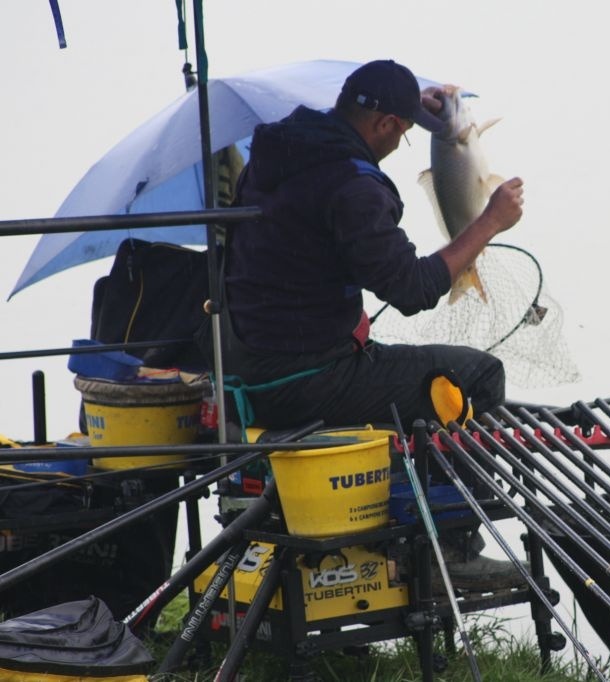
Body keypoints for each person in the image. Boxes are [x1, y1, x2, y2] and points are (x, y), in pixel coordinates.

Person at [217, 59, 525, 591]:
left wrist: (418, 111)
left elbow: (311, 247)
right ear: (383, 124)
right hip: (303, 379)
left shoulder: (278, 153)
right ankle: (451, 551)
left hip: (244, 365)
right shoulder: (353, 186)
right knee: (477, 376)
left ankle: (399, 526)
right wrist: (490, 222)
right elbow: (412, 290)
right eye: (402, 133)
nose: (399, 141)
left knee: (408, 372)